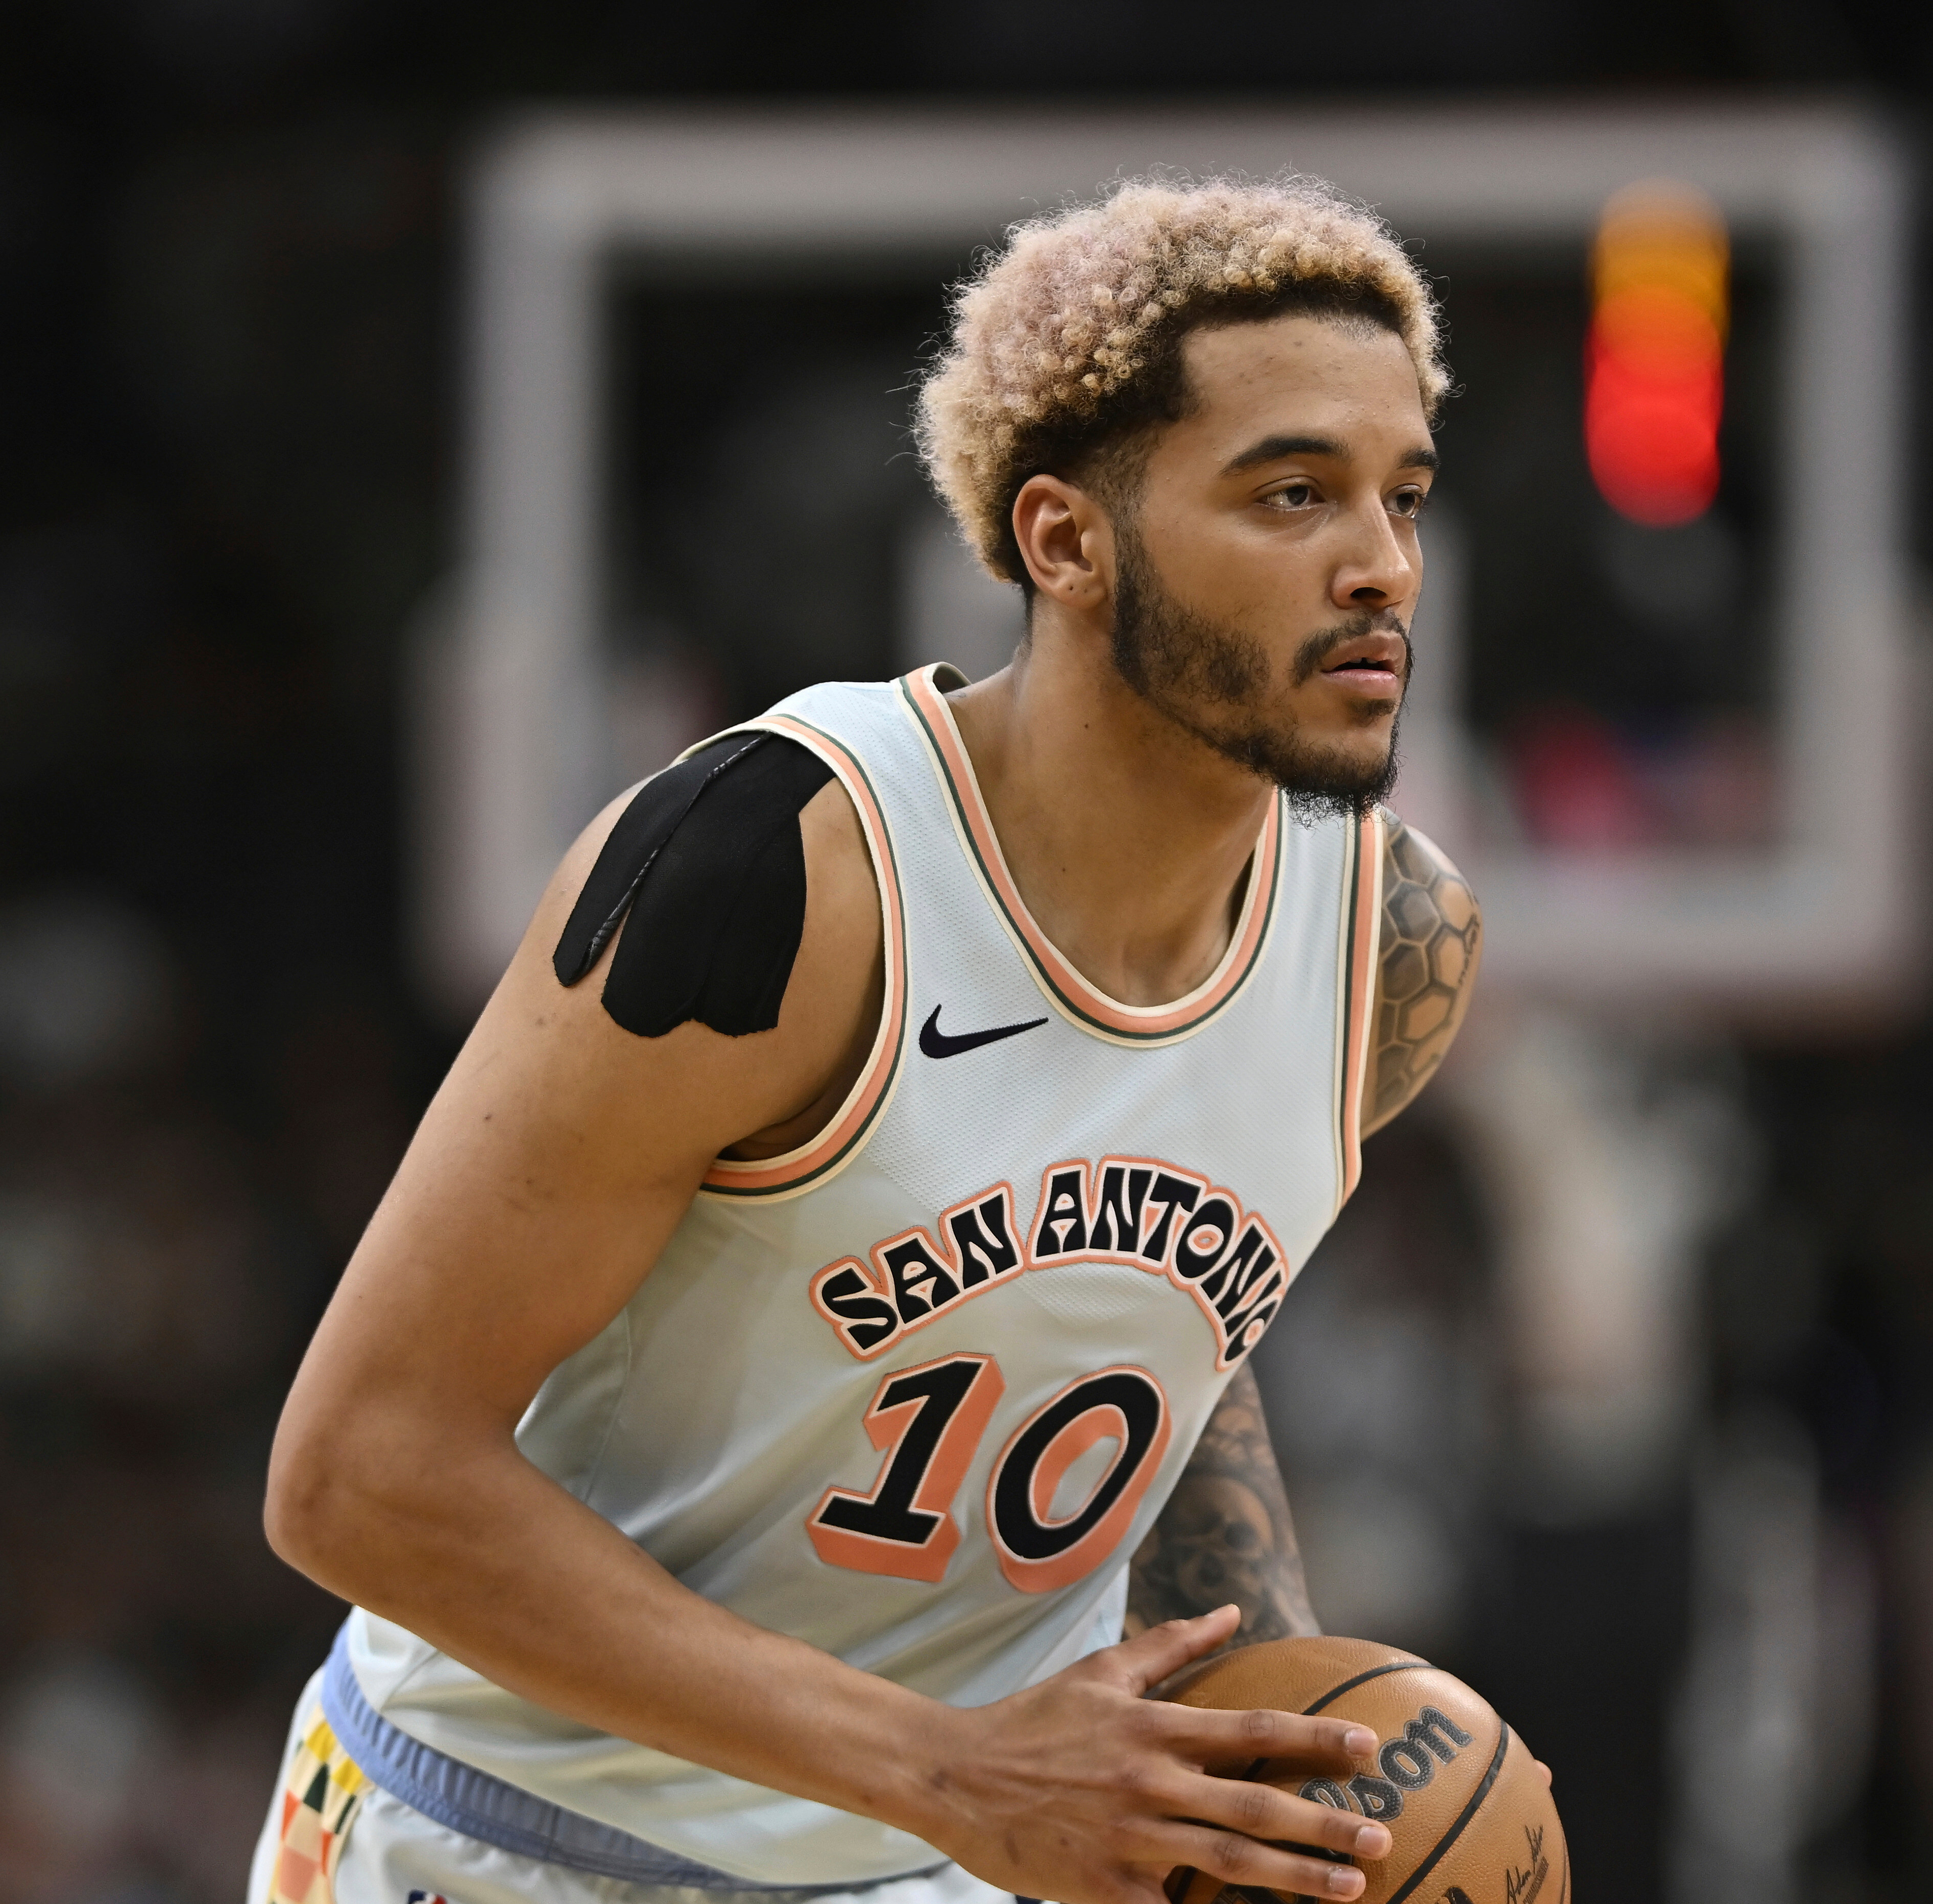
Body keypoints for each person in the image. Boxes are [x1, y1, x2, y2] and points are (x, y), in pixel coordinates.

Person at [251, 174, 1485, 1904]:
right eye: (1292, 493)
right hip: (500, 1834)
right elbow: (353, 1474)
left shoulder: (1393, 948)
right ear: (1064, 541)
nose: (1381, 567)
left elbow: (1154, 1322)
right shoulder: (776, 872)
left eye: (1401, 496)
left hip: (928, 1858)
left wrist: (1268, 1737)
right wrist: (948, 1770)